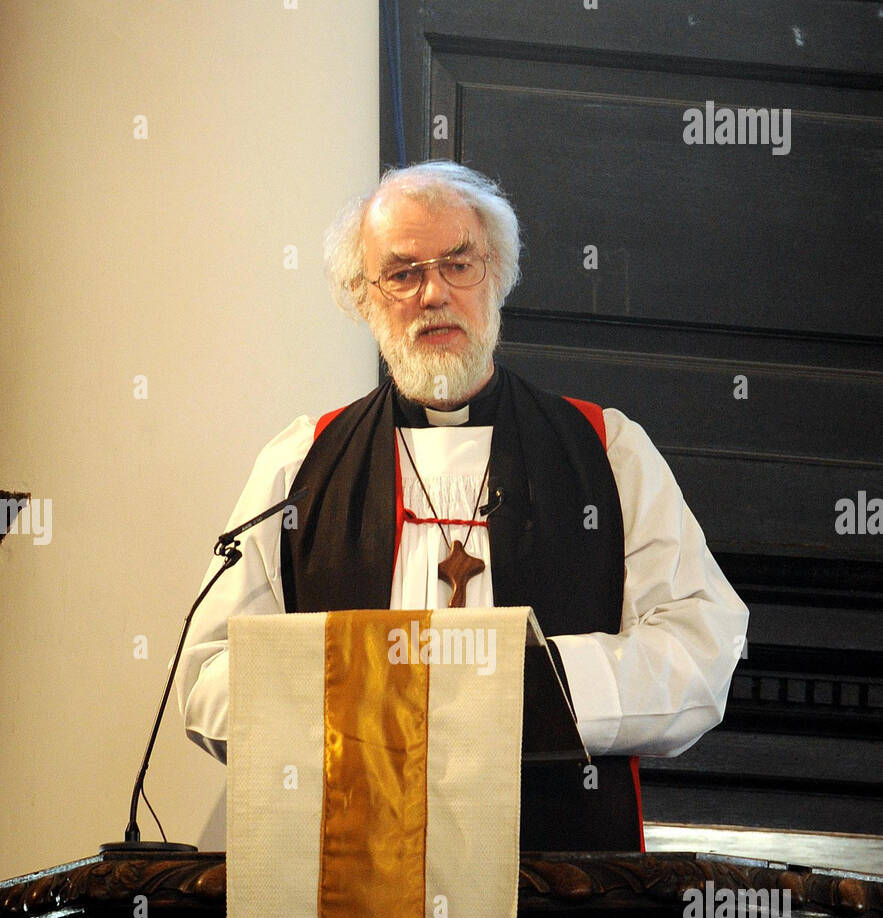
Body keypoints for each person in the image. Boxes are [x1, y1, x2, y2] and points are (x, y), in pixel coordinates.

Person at [176, 160, 749, 851]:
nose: (433, 294)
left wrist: (514, 686)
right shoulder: (301, 464)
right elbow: (209, 679)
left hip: (560, 885)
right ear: (361, 297)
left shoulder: (606, 451)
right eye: (402, 273)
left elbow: (700, 652)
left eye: (458, 264)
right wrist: (374, 694)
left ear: (498, 275)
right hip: (355, 879)